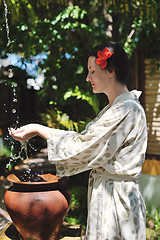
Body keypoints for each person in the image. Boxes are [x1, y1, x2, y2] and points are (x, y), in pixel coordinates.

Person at [10, 41, 147, 240]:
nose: (87, 77)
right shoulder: (115, 109)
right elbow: (84, 140)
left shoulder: (127, 110)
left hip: (118, 202)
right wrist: (39, 130)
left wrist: (39, 129)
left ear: (110, 71)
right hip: (110, 194)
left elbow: (83, 146)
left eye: (92, 71)